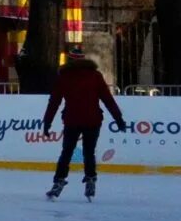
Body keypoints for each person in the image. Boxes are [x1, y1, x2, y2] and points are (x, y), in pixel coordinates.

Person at [41, 48, 127, 200]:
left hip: (72, 120)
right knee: (89, 152)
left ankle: (59, 181)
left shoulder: (65, 77)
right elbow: (108, 99)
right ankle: (91, 179)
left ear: (70, 61)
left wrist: (47, 122)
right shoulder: (95, 76)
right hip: (92, 120)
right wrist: (118, 119)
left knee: (66, 152)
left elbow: (54, 102)